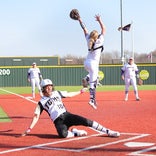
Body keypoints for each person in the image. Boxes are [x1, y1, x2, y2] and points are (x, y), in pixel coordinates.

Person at [22, 79, 120, 138]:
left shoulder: (57, 93)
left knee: (87, 121)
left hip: (67, 115)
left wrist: (81, 91)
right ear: (43, 89)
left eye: (50, 86)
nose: (49, 88)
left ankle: (108, 131)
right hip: (58, 121)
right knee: (63, 135)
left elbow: (69, 94)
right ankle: (75, 132)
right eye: (47, 87)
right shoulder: (41, 102)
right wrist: (29, 129)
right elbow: (36, 116)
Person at [77, 14, 106, 109]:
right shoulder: (100, 40)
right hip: (94, 64)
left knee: (96, 78)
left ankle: (87, 78)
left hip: (86, 63)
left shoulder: (88, 39)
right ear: (97, 36)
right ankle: (91, 101)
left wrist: (79, 19)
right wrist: (99, 20)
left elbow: (84, 28)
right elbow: (104, 29)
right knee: (93, 85)